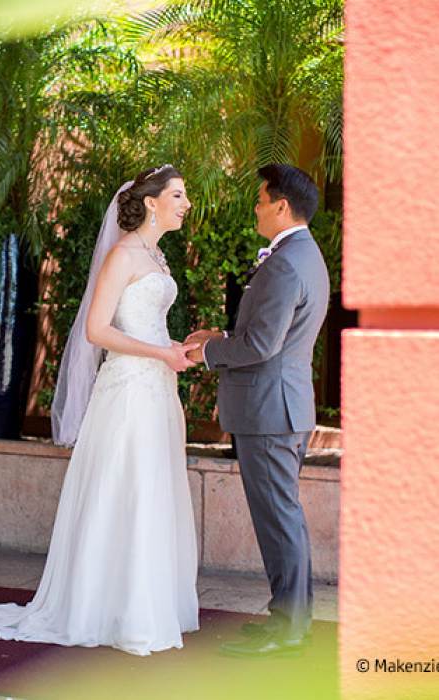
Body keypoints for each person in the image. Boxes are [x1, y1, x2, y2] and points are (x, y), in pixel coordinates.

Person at [0, 165, 201, 656]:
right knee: (126, 489)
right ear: (151, 202)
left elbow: (143, 327)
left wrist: (178, 347)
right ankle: (114, 610)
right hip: (129, 393)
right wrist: (160, 354)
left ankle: (144, 606)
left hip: (156, 389)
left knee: (151, 489)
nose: (186, 203)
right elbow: (97, 330)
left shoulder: (156, 256)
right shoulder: (123, 254)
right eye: (178, 195)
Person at [186, 163, 330, 657]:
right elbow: (271, 337)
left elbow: (264, 344)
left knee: (278, 518)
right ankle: (289, 619)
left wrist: (206, 353)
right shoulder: (301, 256)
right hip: (279, 408)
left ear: (281, 206)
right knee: (281, 517)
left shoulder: (287, 262)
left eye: (260, 199)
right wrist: (222, 337)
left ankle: (288, 627)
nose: (256, 207)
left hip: (271, 413)